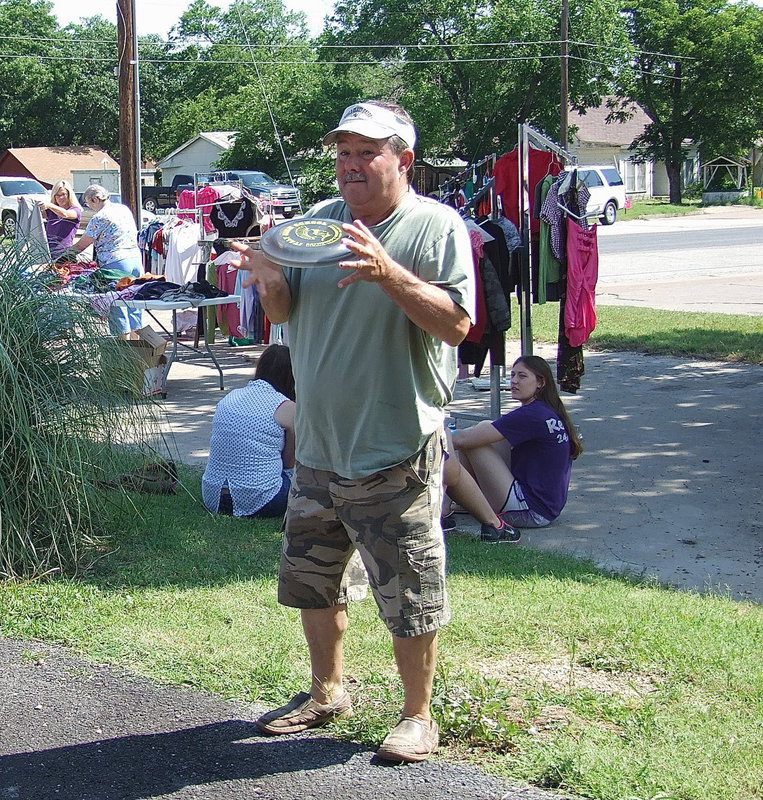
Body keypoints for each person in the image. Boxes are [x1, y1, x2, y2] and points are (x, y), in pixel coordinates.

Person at [231, 100, 475, 763]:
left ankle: (418, 716)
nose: (350, 165)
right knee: (314, 581)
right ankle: (326, 691)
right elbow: (282, 315)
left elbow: (455, 325)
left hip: (394, 446)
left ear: (403, 159)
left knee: (409, 592)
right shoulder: (311, 229)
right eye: (343, 152)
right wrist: (269, 276)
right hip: (317, 446)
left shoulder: (434, 228)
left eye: (367, 151)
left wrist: (388, 272)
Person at [452, 355, 583, 528]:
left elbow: (463, 440)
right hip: (546, 508)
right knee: (485, 428)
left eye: (522, 376)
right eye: (512, 375)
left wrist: (431, 436)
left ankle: (450, 505)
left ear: (540, 382)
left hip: (530, 512)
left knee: (473, 444)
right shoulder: (546, 410)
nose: (514, 381)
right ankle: (466, 500)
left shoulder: (532, 415)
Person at [202, 344, 296, 519]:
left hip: (212, 495)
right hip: (261, 500)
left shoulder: (231, 396)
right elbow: (289, 464)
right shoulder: (287, 408)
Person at [69, 185, 143, 338]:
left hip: (115, 262)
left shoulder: (100, 217)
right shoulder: (123, 209)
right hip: (135, 259)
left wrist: (65, 255)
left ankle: (123, 350)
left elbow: (82, 244)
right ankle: (140, 347)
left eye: (88, 203)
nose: (89, 207)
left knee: (117, 305)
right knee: (135, 304)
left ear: (95, 199)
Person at [441, 427, 521, 544]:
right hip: (535, 507)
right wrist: (445, 434)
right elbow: (449, 472)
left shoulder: (531, 414)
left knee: (475, 437)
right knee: (473, 438)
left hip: (528, 508)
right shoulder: (541, 415)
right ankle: (492, 523)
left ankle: (444, 509)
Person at [38, 180, 82, 259]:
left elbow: (65, 214)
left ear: (69, 194)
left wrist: (50, 205)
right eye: (57, 195)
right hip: (47, 252)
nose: (60, 198)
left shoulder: (75, 210)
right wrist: (25, 202)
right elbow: (37, 214)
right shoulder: (51, 211)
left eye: (63, 194)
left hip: (64, 254)